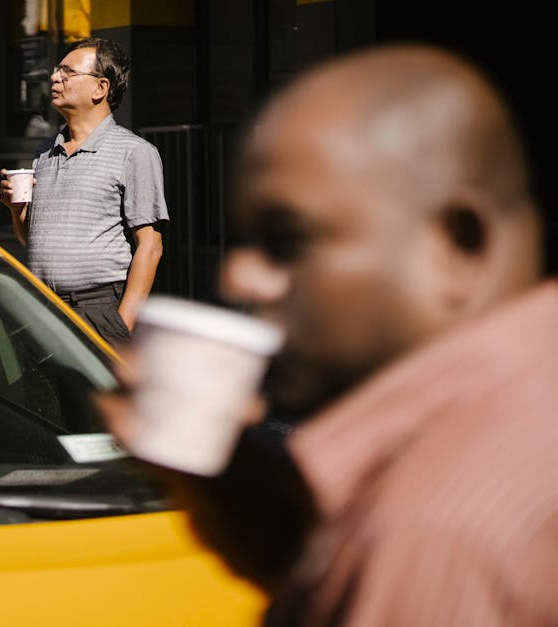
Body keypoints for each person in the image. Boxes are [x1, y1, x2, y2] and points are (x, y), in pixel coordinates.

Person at [98, 44, 557, 626]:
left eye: (287, 241)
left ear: (455, 247)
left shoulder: (434, 537)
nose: (240, 275)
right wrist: (243, 494)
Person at [0, 37, 166, 346]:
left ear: (100, 88)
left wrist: (120, 326)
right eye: (57, 71)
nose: (54, 78)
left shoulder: (135, 152)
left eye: (68, 72)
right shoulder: (45, 152)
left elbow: (150, 246)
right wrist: (15, 209)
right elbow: (29, 239)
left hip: (97, 308)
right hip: (43, 305)